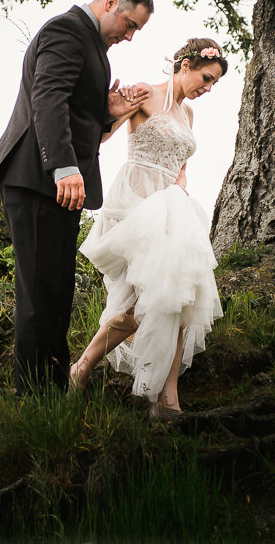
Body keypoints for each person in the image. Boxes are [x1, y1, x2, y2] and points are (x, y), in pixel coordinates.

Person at [0, 0, 154, 393]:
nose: (129, 36)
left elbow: (76, 115)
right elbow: (48, 97)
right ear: (111, 2)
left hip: (57, 186)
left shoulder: (95, 47)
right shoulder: (67, 30)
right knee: (40, 294)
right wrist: (63, 167)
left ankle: (52, 390)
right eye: (129, 24)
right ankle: (36, 398)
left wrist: (107, 114)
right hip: (38, 179)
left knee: (56, 291)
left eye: (136, 31)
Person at [69, 38, 227, 418]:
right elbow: (103, 136)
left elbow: (182, 160)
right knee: (140, 306)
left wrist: (182, 184)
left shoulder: (188, 116)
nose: (206, 89)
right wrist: (110, 109)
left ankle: (167, 399)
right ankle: (83, 366)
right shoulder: (144, 93)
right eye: (205, 79)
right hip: (137, 205)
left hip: (172, 207)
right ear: (184, 65)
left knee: (177, 299)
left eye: (213, 85)